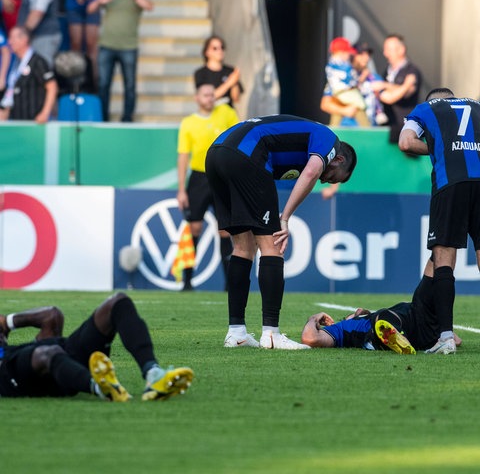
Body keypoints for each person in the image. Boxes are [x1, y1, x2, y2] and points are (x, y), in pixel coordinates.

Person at [205, 114, 357, 350]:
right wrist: (284, 218)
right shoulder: (329, 140)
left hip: (216, 154)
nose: (327, 182)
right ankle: (272, 334)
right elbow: (311, 172)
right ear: (337, 159)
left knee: (243, 248)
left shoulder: (297, 149)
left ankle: (236, 332)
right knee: (272, 246)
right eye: (334, 178)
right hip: (245, 154)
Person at [398, 87, 480, 355]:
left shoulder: (427, 109)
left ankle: (445, 337)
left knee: (444, 256)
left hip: (451, 184)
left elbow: (406, 142)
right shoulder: (477, 106)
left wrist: (438, 147)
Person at [0, 292, 194, 400]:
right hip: (13, 373)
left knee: (118, 302)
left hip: (64, 353)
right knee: (46, 353)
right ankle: (103, 388)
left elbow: (51, 315)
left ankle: (153, 374)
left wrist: (8, 322)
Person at [302, 259, 462, 353]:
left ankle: (440, 335)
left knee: (438, 257)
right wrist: (314, 317)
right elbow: (309, 338)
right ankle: (398, 336)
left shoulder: (365, 316)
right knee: (383, 316)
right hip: (390, 328)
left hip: (420, 320)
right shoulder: (342, 329)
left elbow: (459, 340)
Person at [177, 83, 239, 291]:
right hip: (198, 178)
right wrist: (181, 189)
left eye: (213, 94)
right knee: (194, 227)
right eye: (206, 95)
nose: (210, 98)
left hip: (221, 176)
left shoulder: (227, 113)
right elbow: (183, 156)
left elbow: (237, 140)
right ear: (197, 98)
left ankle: (228, 284)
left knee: (224, 229)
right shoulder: (188, 123)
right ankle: (187, 281)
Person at [87, 0, 153, 122]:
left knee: (129, 85)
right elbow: (90, 9)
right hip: (106, 45)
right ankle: (103, 117)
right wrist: (99, 1)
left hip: (129, 47)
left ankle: (127, 117)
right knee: (103, 84)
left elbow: (150, 6)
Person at [0, 26, 57, 122]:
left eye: (13, 38)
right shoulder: (16, 64)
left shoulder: (37, 61)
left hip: (34, 122)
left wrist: (45, 113)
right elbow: (10, 94)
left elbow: (52, 86)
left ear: (24, 40)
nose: (10, 42)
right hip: (18, 121)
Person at [378, 34, 422, 144]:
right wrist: (403, 85)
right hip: (388, 129)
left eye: (388, 49)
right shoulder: (386, 73)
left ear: (401, 50)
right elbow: (387, 96)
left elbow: (403, 94)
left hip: (405, 130)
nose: (385, 53)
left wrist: (386, 86)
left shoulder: (411, 71)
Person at [321, 37, 370, 127]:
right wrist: (344, 110)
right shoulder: (343, 68)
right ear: (341, 52)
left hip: (364, 134)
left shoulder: (372, 77)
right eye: (360, 54)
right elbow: (325, 104)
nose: (365, 58)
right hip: (345, 132)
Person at [193, 35, 243, 110]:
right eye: (215, 48)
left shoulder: (230, 70)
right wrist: (229, 83)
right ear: (207, 52)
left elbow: (236, 99)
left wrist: (234, 82)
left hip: (228, 113)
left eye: (222, 47)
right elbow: (208, 97)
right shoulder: (200, 73)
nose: (219, 51)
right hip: (211, 114)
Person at [15, 0, 62, 67]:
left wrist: (21, 34)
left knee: (42, 70)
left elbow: (37, 13)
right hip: (34, 36)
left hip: (44, 37)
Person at [65, 0, 100, 89]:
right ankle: (74, 81)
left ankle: (93, 82)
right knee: (75, 44)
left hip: (93, 2)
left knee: (91, 45)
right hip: (74, 4)